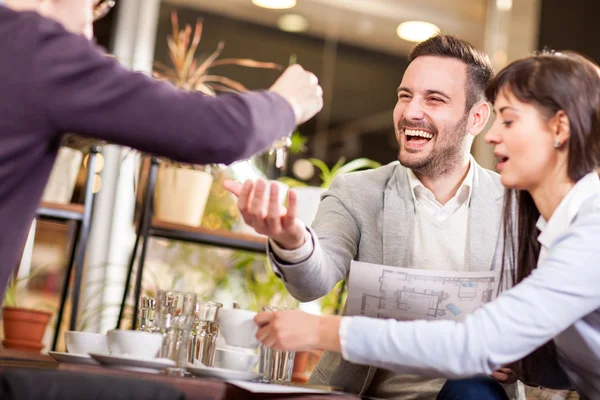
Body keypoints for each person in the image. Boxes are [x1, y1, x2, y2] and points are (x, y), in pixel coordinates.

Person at [252, 50, 600, 399]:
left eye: (508, 121)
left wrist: (321, 330)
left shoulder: (581, 231)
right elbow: (571, 358)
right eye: (404, 96)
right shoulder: (555, 225)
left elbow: (472, 344)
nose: (494, 136)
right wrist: (294, 239)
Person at [225, 35, 523, 399]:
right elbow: (311, 282)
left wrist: (522, 355)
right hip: (365, 392)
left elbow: (545, 317)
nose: (411, 111)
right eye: (404, 95)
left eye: (434, 99)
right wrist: (292, 238)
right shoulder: (357, 191)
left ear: (476, 118)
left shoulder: (516, 205)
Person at [0, 0, 323, 303]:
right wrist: (287, 102)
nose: (89, 26)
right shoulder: (32, 45)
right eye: (95, 4)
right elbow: (215, 131)